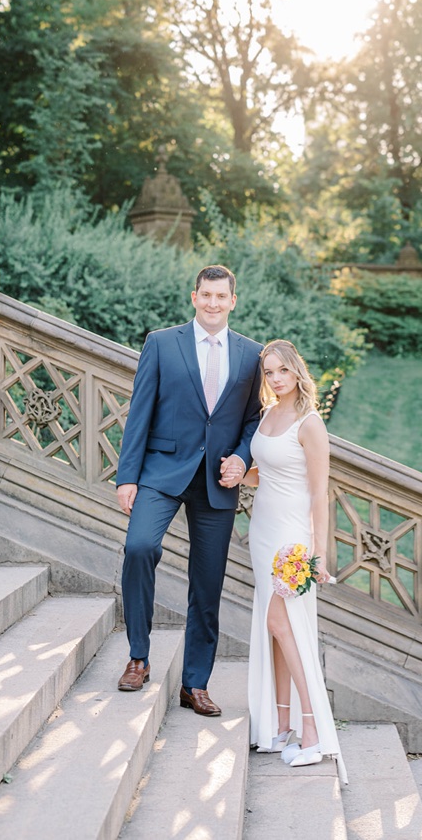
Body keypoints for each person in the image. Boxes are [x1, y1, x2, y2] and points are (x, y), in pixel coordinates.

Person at [115, 265, 263, 717]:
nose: (214, 303)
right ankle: (138, 656)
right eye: (207, 295)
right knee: (139, 547)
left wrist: (241, 457)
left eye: (222, 296)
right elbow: (140, 410)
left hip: (218, 482)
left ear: (233, 301)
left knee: (208, 584)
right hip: (162, 470)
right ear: (194, 297)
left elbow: (255, 419)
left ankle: (195, 683)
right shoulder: (162, 343)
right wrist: (127, 475)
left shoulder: (251, 355)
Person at [243, 339, 347, 782]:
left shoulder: (310, 423)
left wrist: (317, 553)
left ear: (297, 371)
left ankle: (312, 732)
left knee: (283, 625)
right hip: (262, 530)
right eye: (269, 372)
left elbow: (319, 493)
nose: (277, 378)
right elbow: (263, 471)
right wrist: (237, 471)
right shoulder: (268, 415)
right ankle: (281, 725)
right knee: (275, 631)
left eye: (283, 370)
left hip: (292, 539)